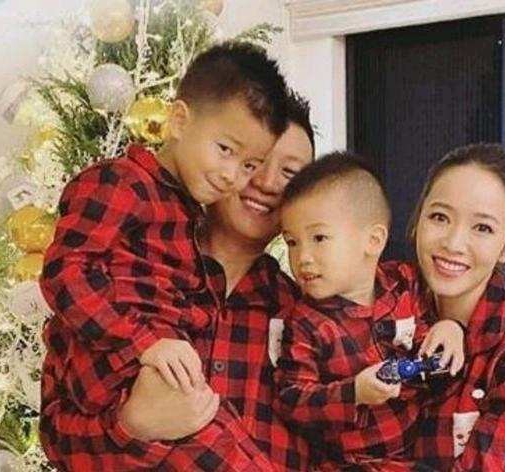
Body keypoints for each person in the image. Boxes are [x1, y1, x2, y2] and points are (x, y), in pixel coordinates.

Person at [39, 86, 316, 470]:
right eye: (254, 163)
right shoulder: (125, 282)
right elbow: (56, 436)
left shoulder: (306, 314)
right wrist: (131, 427)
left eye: (290, 173)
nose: (267, 182)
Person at [273, 152, 466, 471]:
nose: (303, 257)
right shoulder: (305, 322)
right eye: (292, 242)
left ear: (373, 240)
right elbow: (291, 400)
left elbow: (438, 333)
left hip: (418, 452)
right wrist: (354, 393)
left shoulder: (405, 282)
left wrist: (452, 326)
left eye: (319, 238)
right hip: (350, 464)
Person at [409, 144, 505, 471]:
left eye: (482, 228)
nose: (453, 243)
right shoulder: (384, 310)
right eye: (439, 217)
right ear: (418, 218)